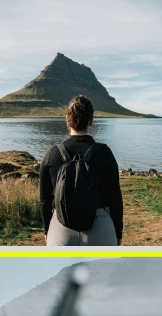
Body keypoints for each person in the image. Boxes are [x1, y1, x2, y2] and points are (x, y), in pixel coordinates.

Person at [39, 95, 123, 246]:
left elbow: (44, 200)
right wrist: (118, 233)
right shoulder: (104, 152)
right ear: (90, 121)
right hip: (100, 225)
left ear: (67, 120)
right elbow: (115, 198)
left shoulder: (52, 154)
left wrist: (47, 230)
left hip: (61, 227)